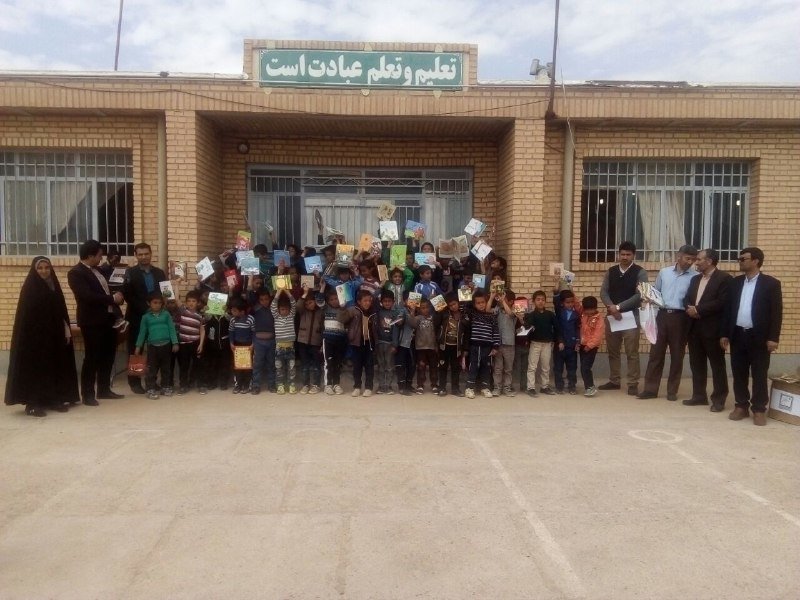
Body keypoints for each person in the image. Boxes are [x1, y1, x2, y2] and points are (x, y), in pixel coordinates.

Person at [5, 256, 80, 417]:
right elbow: (26, 318)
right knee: (36, 370)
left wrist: (66, 329)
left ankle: (53, 399)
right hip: (34, 340)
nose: (44, 271)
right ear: (34, 270)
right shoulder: (30, 288)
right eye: (40, 268)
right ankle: (33, 404)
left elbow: (61, 311)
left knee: (53, 367)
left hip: (53, 337)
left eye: (47, 268)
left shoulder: (54, 286)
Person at [721, 247, 782, 426]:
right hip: (738, 334)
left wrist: (773, 337)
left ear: (755, 261)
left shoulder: (771, 284)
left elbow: (776, 313)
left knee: (759, 373)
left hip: (759, 337)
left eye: (743, 259)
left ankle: (759, 409)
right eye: (739, 259)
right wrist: (724, 333)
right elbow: (728, 310)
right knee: (739, 372)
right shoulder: (735, 283)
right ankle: (741, 405)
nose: (740, 262)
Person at [68, 239, 126, 405]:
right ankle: (87, 394)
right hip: (91, 321)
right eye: (99, 255)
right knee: (92, 357)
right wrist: (112, 299)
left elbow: (110, 286)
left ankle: (104, 389)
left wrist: (118, 296)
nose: (101, 258)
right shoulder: (76, 273)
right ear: (90, 255)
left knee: (108, 355)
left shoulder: (98, 270)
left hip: (108, 319)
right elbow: (87, 296)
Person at [637, 245, 699, 401]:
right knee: (655, 354)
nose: (690, 262)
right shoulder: (664, 272)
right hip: (662, 315)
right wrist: (648, 296)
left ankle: (672, 391)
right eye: (687, 258)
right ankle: (650, 389)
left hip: (681, 317)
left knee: (677, 355)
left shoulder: (695, 277)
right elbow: (656, 292)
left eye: (693, 259)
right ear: (679, 256)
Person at [682, 249, 732, 412]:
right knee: (696, 364)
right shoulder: (695, 279)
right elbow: (687, 298)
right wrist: (689, 308)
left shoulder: (724, 279)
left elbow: (722, 302)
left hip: (713, 330)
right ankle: (699, 396)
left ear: (709, 261)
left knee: (717, 365)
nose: (695, 262)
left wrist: (698, 310)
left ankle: (719, 399)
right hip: (694, 328)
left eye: (699, 259)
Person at [599, 241, 648, 395]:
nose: (625, 257)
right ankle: (614, 380)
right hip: (612, 316)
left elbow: (640, 295)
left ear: (634, 255)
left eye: (628, 254)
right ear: (618, 254)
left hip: (631, 317)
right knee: (613, 351)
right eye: (622, 254)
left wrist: (619, 307)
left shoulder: (640, 272)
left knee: (631, 352)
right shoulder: (611, 271)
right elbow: (603, 292)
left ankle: (633, 383)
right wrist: (611, 307)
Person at [122, 243, 167, 394]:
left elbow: (166, 293)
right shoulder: (130, 273)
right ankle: (135, 382)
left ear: (151, 254)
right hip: (137, 317)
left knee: (157, 350)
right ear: (136, 255)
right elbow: (128, 295)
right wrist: (146, 309)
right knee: (136, 349)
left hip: (157, 318)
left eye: (146, 254)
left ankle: (152, 382)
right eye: (140, 254)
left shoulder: (159, 273)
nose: (143, 257)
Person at [135, 291, 179, 399]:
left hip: (166, 345)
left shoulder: (166, 314)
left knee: (166, 368)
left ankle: (165, 387)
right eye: (155, 303)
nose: (157, 305)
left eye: (159, 303)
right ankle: (150, 389)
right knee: (152, 369)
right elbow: (142, 333)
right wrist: (138, 346)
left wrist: (175, 342)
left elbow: (171, 329)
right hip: (152, 347)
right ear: (148, 303)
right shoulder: (145, 317)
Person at [339, 289, 377, 397]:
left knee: (369, 367)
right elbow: (341, 319)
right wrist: (342, 308)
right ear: (359, 302)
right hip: (356, 343)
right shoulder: (353, 310)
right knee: (357, 366)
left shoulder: (373, 312)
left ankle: (368, 387)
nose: (367, 303)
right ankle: (357, 387)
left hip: (370, 344)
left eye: (369, 301)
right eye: (365, 301)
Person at [463, 290, 500, 399]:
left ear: (486, 302)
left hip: (487, 347)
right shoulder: (472, 314)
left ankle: (485, 387)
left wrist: (495, 346)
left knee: (486, 367)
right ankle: (469, 388)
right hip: (474, 346)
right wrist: (472, 291)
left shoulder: (492, 316)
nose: (481, 305)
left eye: (483, 302)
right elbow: (465, 308)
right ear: (474, 304)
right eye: (478, 303)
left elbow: (495, 332)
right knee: (473, 366)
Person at [524, 290, 557, 396]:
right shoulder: (531, 315)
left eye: (543, 299)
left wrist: (556, 340)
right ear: (534, 301)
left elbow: (556, 328)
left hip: (547, 344)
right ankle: (530, 387)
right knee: (532, 366)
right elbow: (526, 327)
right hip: (535, 343)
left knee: (546, 367)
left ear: (545, 301)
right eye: (538, 299)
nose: (540, 302)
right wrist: (523, 317)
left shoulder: (550, 315)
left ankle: (544, 386)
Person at [176, 290, 205, 394]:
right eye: (189, 301)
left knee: (198, 365)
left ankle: (200, 385)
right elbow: (177, 299)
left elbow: (202, 330)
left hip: (195, 343)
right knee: (184, 366)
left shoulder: (200, 316)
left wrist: (201, 344)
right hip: (183, 344)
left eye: (193, 301)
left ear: (198, 303)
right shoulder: (183, 311)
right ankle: (183, 386)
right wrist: (177, 284)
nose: (191, 303)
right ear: (186, 302)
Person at [373, 289, 403, 395]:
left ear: (393, 301)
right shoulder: (378, 312)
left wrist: (395, 344)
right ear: (381, 302)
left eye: (389, 301)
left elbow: (396, 330)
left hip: (390, 344)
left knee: (389, 366)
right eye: (385, 301)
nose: (387, 303)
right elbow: (374, 298)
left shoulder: (395, 313)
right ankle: (381, 386)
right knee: (381, 365)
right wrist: (376, 342)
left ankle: (389, 386)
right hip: (380, 343)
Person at [437, 293, 466, 397]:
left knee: (456, 368)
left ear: (458, 303)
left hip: (457, 347)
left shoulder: (464, 315)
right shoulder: (444, 315)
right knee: (443, 367)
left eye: (454, 304)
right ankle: (442, 388)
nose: (453, 306)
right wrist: (438, 311)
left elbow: (467, 332)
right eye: (450, 305)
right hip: (444, 346)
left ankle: (455, 389)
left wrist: (465, 348)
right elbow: (436, 324)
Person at [489, 289, 517, 397]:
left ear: (510, 301)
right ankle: (497, 388)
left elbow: (510, 314)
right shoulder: (498, 309)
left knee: (508, 369)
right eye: (500, 298)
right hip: (498, 343)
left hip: (509, 343)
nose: (500, 300)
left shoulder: (515, 309)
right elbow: (487, 310)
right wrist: (492, 297)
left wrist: (503, 301)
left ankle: (507, 388)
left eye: (503, 298)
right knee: (497, 368)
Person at [408, 298, 438, 394]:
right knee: (421, 367)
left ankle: (434, 384)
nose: (425, 309)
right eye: (423, 308)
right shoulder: (418, 318)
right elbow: (411, 323)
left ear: (430, 308)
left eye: (427, 307)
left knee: (433, 366)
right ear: (419, 309)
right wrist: (412, 311)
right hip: (421, 347)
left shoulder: (433, 318)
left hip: (432, 347)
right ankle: (420, 385)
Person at [553, 289, 581, 395]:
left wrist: (577, 342)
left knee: (572, 368)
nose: (570, 304)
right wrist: (560, 341)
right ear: (562, 303)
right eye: (567, 302)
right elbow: (557, 329)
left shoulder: (576, 314)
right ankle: (559, 386)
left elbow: (578, 329)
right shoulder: (559, 312)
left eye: (572, 302)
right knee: (558, 367)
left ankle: (572, 386)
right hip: (560, 345)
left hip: (571, 345)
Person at [321, 287, 348, 395]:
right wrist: (322, 288)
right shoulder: (326, 308)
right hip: (328, 340)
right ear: (328, 301)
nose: (334, 301)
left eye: (336, 298)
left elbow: (345, 320)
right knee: (328, 363)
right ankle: (328, 385)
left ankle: (336, 384)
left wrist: (343, 307)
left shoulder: (343, 310)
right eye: (331, 299)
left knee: (338, 363)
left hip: (340, 340)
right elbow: (319, 301)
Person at [271, 288, 297, 394]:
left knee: (292, 368)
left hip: (290, 348)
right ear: (278, 310)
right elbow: (273, 306)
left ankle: (292, 385)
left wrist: (287, 291)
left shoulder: (291, 316)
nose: (284, 311)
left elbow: (294, 304)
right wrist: (278, 292)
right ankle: (280, 385)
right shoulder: (276, 317)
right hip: (279, 348)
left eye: (286, 309)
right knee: (279, 369)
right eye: (282, 309)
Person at [250, 289, 276, 395]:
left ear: (270, 299)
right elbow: (250, 297)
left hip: (271, 341)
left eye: (266, 299)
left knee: (271, 364)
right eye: (261, 299)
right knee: (257, 364)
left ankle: (272, 385)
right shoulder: (256, 309)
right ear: (258, 300)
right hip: (258, 342)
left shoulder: (273, 309)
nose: (264, 301)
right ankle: (256, 386)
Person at [579, 296, 605, 397]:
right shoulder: (583, 315)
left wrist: (589, 346)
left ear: (595, 308)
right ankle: (588, 387)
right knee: (583, 367)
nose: (589, 312)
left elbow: (597, 335)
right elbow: (576, 304)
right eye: (587, 310)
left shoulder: (599, 319)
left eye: (591, 310)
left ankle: (590, 387)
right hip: (582, 345)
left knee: (586, 367)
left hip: (591, 347)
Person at [229, 297, 255, 394]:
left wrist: (253, 344)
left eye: (235, 310)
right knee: (238, 366)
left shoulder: (250, 319)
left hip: (248, 346)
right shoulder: (233, 320)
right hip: (237, 345)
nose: (232, 312)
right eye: (232, 310)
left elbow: (253, 332)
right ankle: (238, 385)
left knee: (247, 366)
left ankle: (247, 385)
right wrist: (231, 343)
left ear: (242, 311)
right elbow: (231, 332)